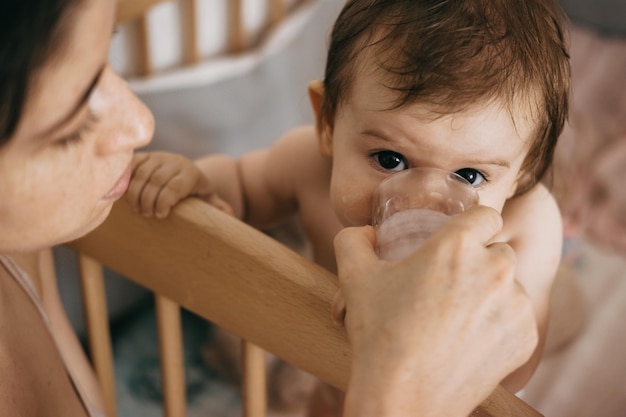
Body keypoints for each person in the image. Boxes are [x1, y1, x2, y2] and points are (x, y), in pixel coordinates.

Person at [0, 0, 538, 416]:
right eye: (389, 158)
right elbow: (240, 186)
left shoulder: (519, 235)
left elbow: (507, 364)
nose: (423, 198)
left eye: (469, 175)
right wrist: (199, 183)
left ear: (525, 172)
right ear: (326, 124)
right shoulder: (306, 164)